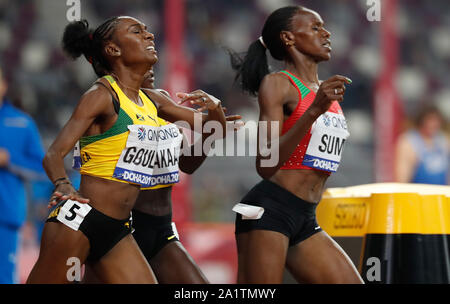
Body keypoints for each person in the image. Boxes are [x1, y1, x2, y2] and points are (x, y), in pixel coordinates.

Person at [27, 16, 226, 284]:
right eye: (137, 31)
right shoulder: (100, 96)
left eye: (147, 30)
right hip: (79, 222)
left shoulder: (150, 100)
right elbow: (53, 153)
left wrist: (214, 110)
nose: (150, 36)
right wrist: (62, 183)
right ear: (113, 50)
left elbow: (212, 130)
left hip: (119, 229)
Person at [228, 6, 363, 283]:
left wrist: (319, 104)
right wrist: (314, 110)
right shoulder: (278, 84)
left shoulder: (325, 91)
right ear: (289, 38)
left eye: (324, 27)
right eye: (315, 27)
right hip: (268, 209)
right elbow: (265, 164)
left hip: (305, 216)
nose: (326, 33)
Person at [82, 68, 243, 284]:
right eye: (141, 63)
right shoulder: (110, 105)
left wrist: (210, 135)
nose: (149, 69)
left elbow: (187, 164)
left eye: (152, 64)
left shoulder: (165, 105)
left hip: (161, 228)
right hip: (123, 227)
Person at [0, 67, 47, 283]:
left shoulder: (22, 123)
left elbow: (41, 167)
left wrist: (10, 160)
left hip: (5, 216)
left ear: (4, 84)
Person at [395, 105, 449, 185]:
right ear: (421, 121)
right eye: (430, 120)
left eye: (436, 121)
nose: (434, 124)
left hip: (441, 194)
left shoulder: (443, 141)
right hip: (418, 194)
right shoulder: (409, 142)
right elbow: (401, 181)